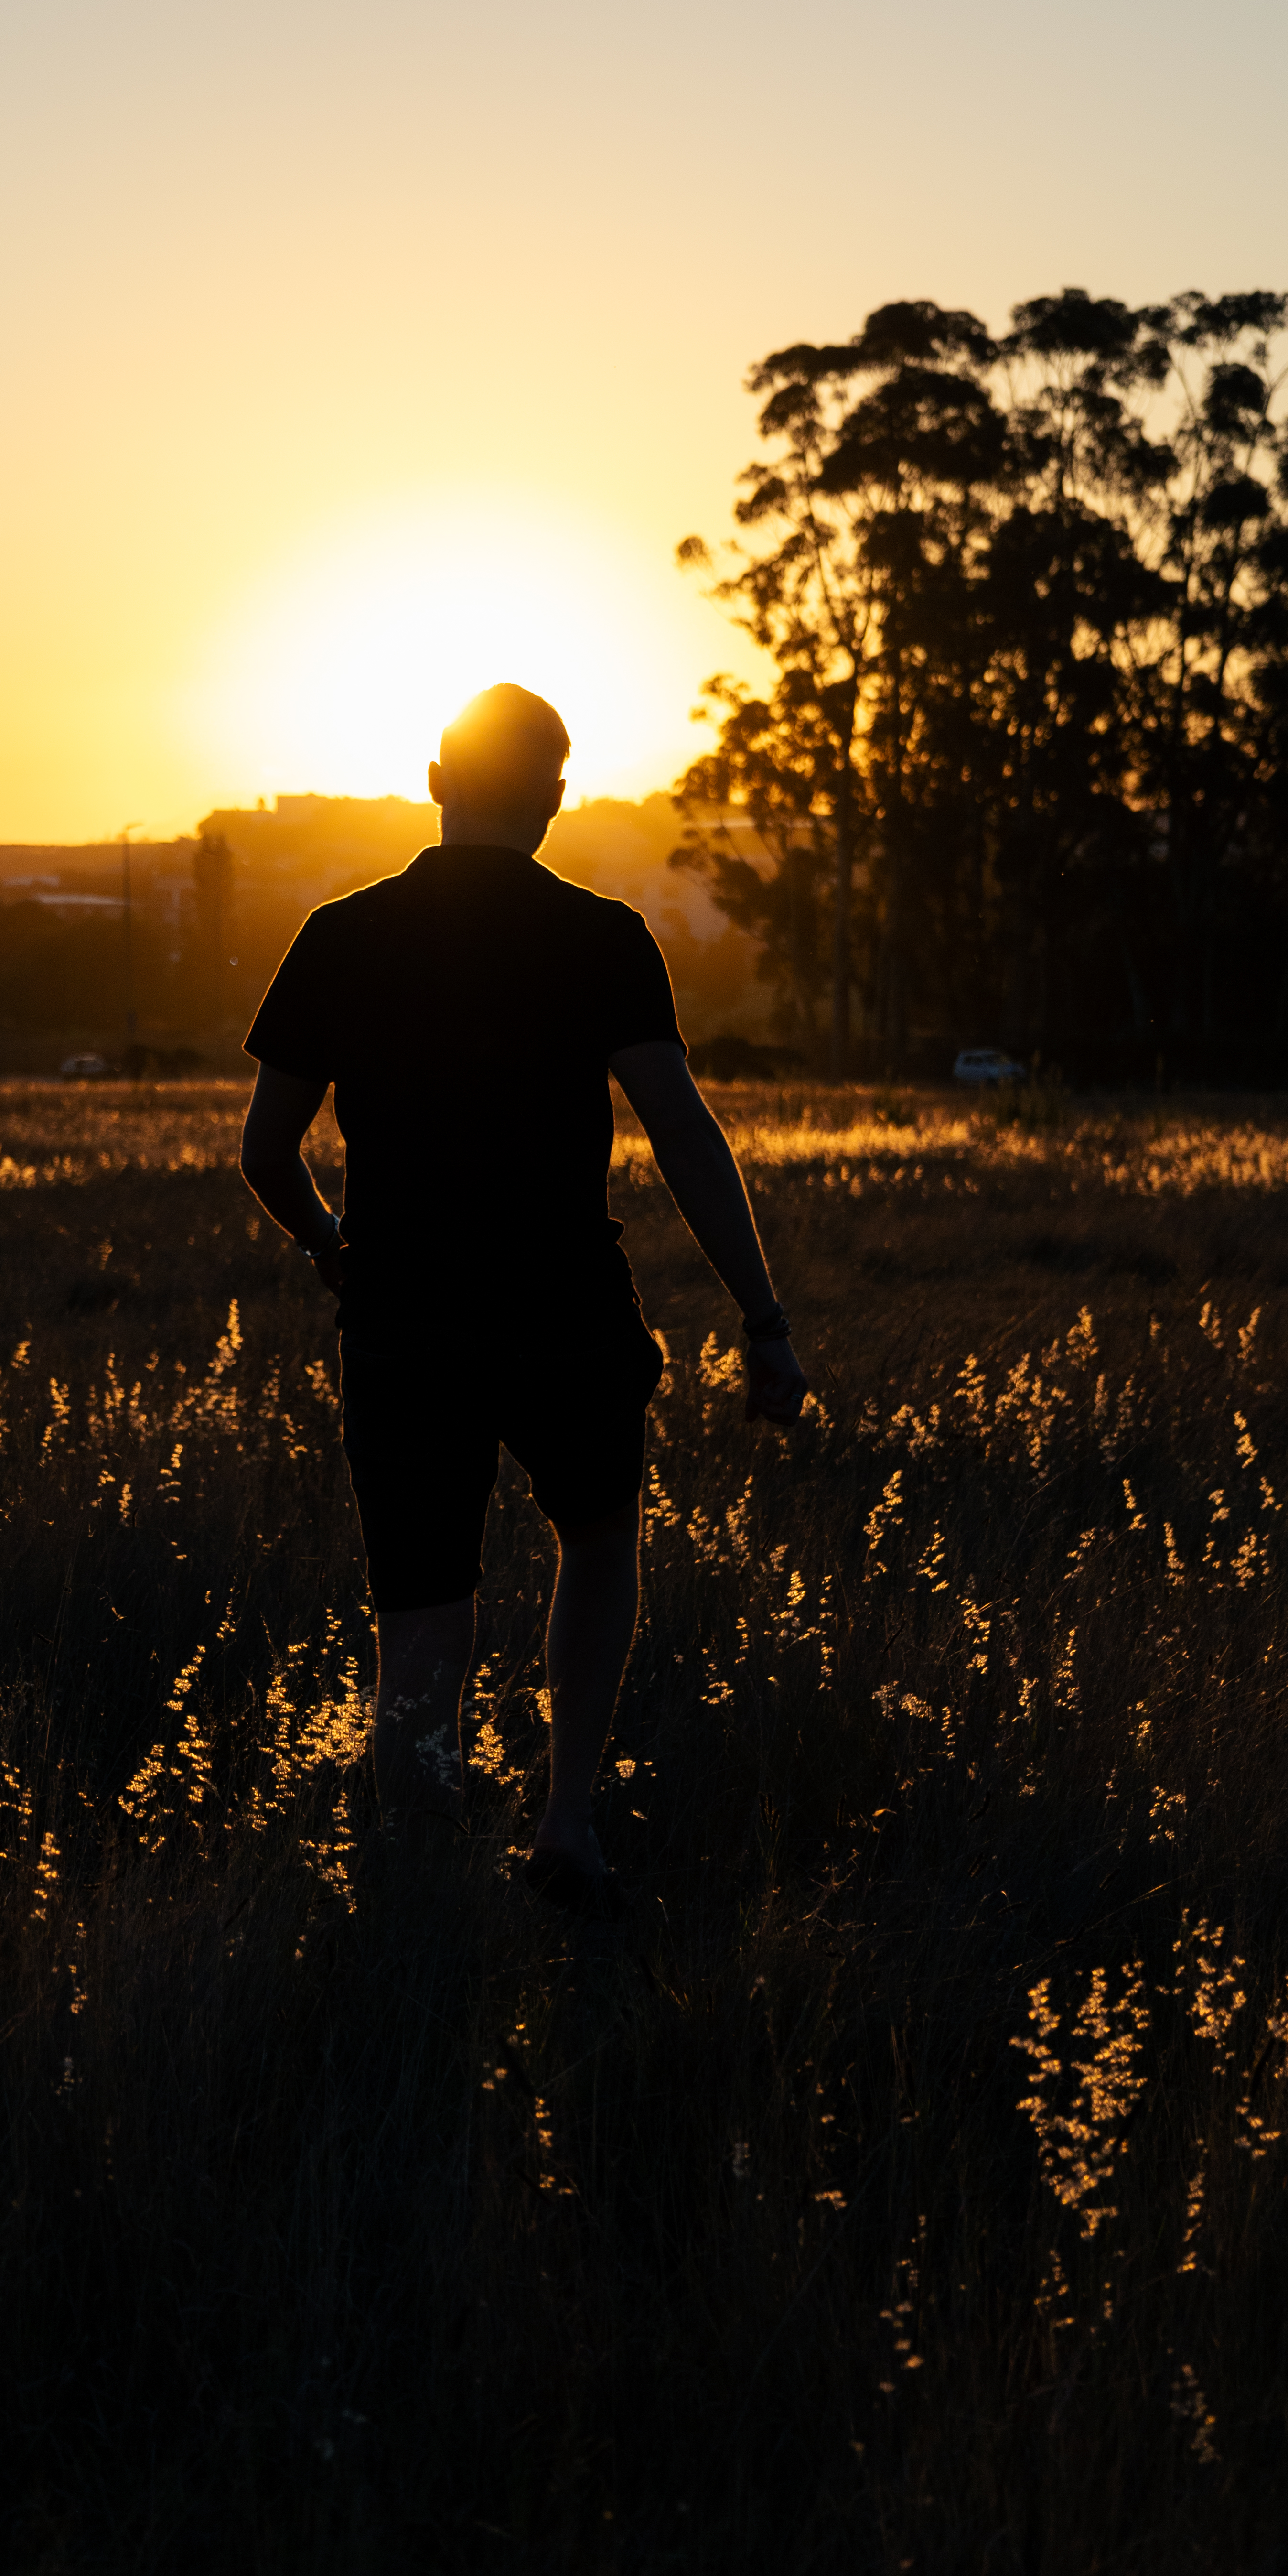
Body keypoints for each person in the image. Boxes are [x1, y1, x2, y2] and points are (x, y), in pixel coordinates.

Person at [238, 682, 806, 1915]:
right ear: (553, 799)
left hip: (401, 1318)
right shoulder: (605, 939)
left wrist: (332, 1245)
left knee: (423, 1621)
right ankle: (566, 1825)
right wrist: (762, 1320)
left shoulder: (340, 934)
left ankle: (424, 1877)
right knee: (599, 1544)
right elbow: (686, 1137)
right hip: (568, 1309)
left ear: (436, 781)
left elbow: (266, 1149)